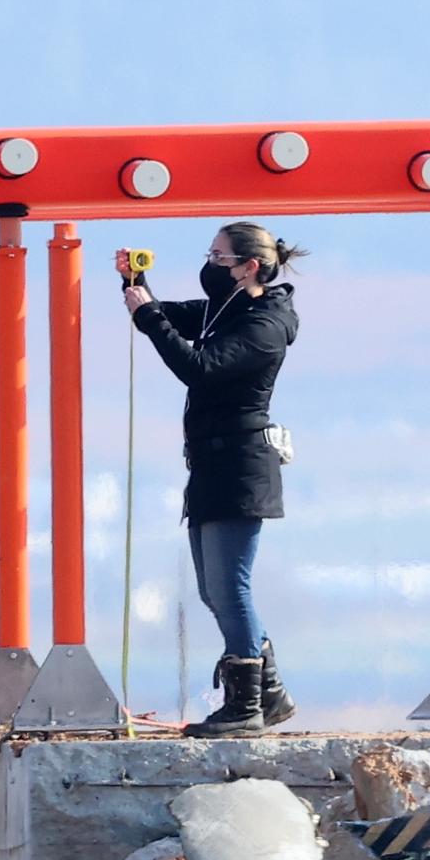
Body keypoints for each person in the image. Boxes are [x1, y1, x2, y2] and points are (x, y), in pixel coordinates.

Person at [118, 223, 305, 737]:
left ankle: (246, 705)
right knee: (213, 589)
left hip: (240, 467)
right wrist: (138, 286)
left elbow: (198, 366)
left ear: (249, 267)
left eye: (219, 258)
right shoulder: (229, 310)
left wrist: (149, 317)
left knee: (231, 588)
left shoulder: (264, 325)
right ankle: (269, 693)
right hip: (210, 465)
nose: (210, 266)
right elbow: (165, 318)